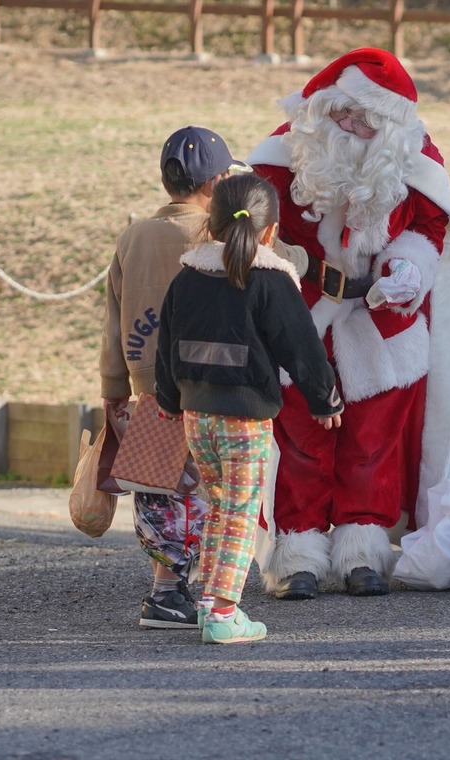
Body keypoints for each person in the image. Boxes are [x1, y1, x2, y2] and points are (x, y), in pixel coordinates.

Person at [247, 47, 450, 600]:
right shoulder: (281, 155)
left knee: (372, 442)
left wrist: (408, 270)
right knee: (300, 438)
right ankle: (297, 553)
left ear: (389, 126)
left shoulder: (417, 156)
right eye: (341, 112)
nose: (349, 126)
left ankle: (363, 550)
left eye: (364, 120)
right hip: (301, 316)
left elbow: (430, 228)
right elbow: (252, 231)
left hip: (381, 321)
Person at [153, 173, 345, 644]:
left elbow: (167, 343)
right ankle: (223, 612)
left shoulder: (188, 276)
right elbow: (302, 346)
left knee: (220, 508)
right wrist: (325, 399)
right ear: (271, 230)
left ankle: (208, 604)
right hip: (244, 418)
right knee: (240, 512)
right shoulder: (271, 279)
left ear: (210, 225)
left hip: (197, 416)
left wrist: (169, 400)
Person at [99, 125, 246, 630]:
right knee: (212, 488)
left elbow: (112, 320)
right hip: (212, 379)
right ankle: (202, 593)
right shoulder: (220, 234)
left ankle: (165, 591)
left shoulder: (133, 236)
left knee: (159, 488)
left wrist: (114, 389)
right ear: (215, 182)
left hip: (148, 384)